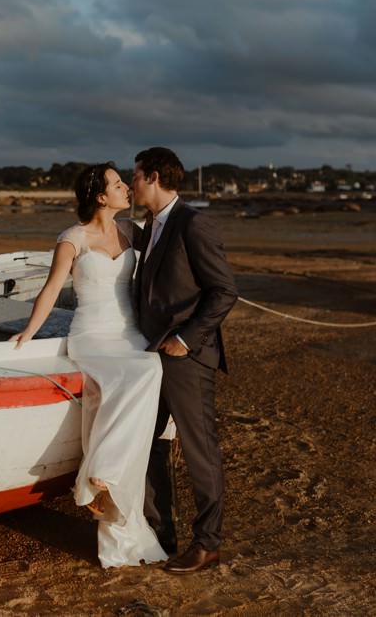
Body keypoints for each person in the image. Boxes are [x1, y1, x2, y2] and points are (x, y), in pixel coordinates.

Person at [11, 162, 168, 568]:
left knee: (148, 369)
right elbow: (50, 290)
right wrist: (29, 332)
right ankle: (101, 474)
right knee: (142, 373)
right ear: (100, 196)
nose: (125, 190)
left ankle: (110, 495)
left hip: (130, 334)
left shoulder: (131, 232)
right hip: (93, 336)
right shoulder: (72, 239)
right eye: (118, 185)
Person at [132, 146, 238, 574]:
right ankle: (161, 535)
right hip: (150, 358)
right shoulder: (150, 224)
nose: (132, 182)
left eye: (135, 175)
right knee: (149, 444)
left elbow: (224, 290)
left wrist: (185, 338)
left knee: (200, 453)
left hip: (186, 359)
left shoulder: (193, 223)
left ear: (154, 176)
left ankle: (207, 545)